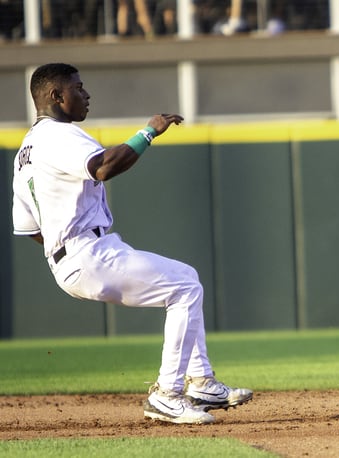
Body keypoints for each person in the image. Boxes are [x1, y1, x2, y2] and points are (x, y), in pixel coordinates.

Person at [11, 63, 253, 424]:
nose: (86, 94)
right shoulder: (58, 136)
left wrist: (63, 241)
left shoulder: (24, 153)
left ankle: (201, 382)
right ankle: (167, 395)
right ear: (55, 96)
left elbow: (29, 228)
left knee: (184, 281)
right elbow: (104, 167)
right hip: (87, 252)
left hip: (69, 258)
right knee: (186, 286)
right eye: (78, 88)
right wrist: (148, 132)